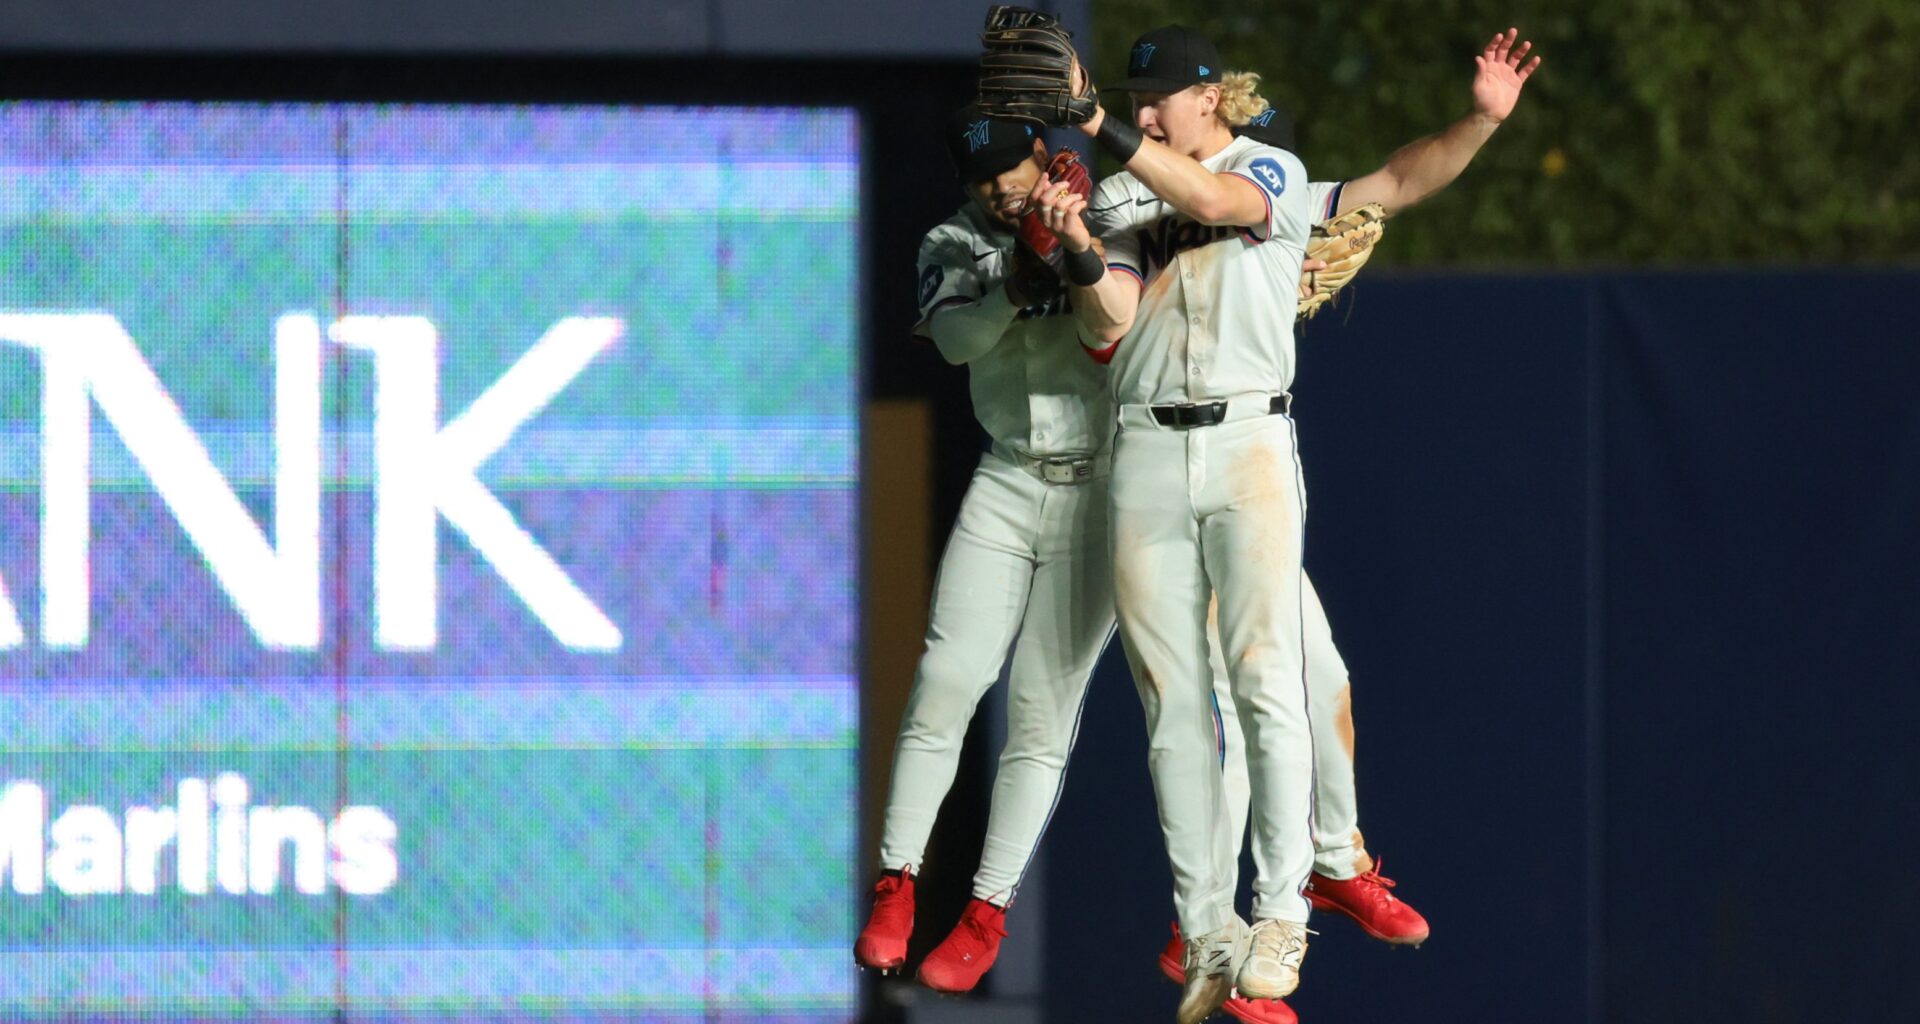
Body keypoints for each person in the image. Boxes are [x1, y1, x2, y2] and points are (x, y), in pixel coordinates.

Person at [852, 106, 1116, 995]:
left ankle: (986, 911)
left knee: (1041, 718)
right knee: (947, 680)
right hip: (1008, 479)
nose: (1004, 194)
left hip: (1105, 491)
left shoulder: (1105, 207)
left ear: (1043, 156)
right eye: (988, 186)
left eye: (1014, 177)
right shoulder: (953, 237)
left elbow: (1117, 322)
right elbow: (959, 340)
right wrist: (1017, 269)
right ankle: (897, 885)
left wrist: (1072, 242)